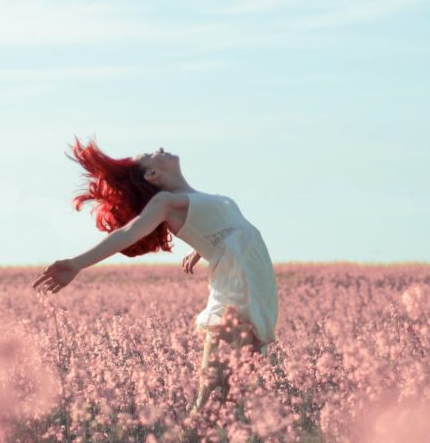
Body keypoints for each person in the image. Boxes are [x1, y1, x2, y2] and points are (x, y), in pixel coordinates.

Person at [31, 136, 279, 414]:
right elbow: (129, 232)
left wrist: (202, 249)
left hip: (257, 289)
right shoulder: (166, 202)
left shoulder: (198, 199)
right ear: (152, 174)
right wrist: (78, 263)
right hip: (237, 291)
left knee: (235, 400)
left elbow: (230, 233)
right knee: (211, 401)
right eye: (150, 154)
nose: (159, 149)